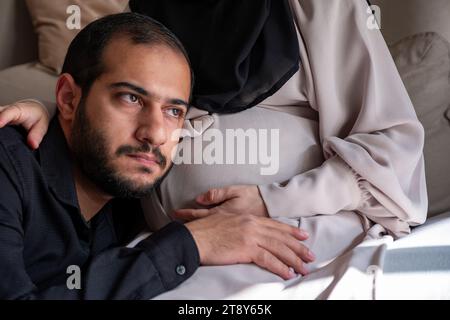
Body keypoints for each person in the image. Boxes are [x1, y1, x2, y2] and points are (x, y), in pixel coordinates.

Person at [1, 0, 427, 271]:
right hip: (168, 248)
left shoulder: (323, 7)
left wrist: (271, 201)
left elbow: (394, 153)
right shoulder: (149, 9)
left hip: (295, 235)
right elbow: (111, 95)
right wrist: (53, 115)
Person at [0, 12, 314, 300]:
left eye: (173, 111)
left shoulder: (131, 192)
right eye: (131, 98)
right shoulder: (9, 169)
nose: (156, 134)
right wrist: (190, 243)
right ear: (68, 98)